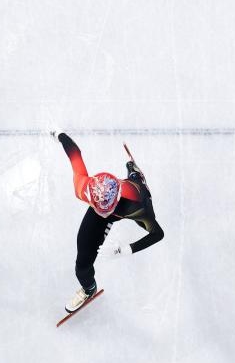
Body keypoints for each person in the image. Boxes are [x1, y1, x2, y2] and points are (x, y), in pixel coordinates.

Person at [52, 130, 165, 313]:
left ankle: (135, 175)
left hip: (130, 202)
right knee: (82, 253)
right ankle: (89, 288)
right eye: (97, 208)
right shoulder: (84, 188)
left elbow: (158, 233)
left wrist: (127, 249)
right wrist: (60, 135)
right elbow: (75, 154)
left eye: (104, 211)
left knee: (138, 181)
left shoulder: (137, 206)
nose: (100, 214)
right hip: (116, 201)